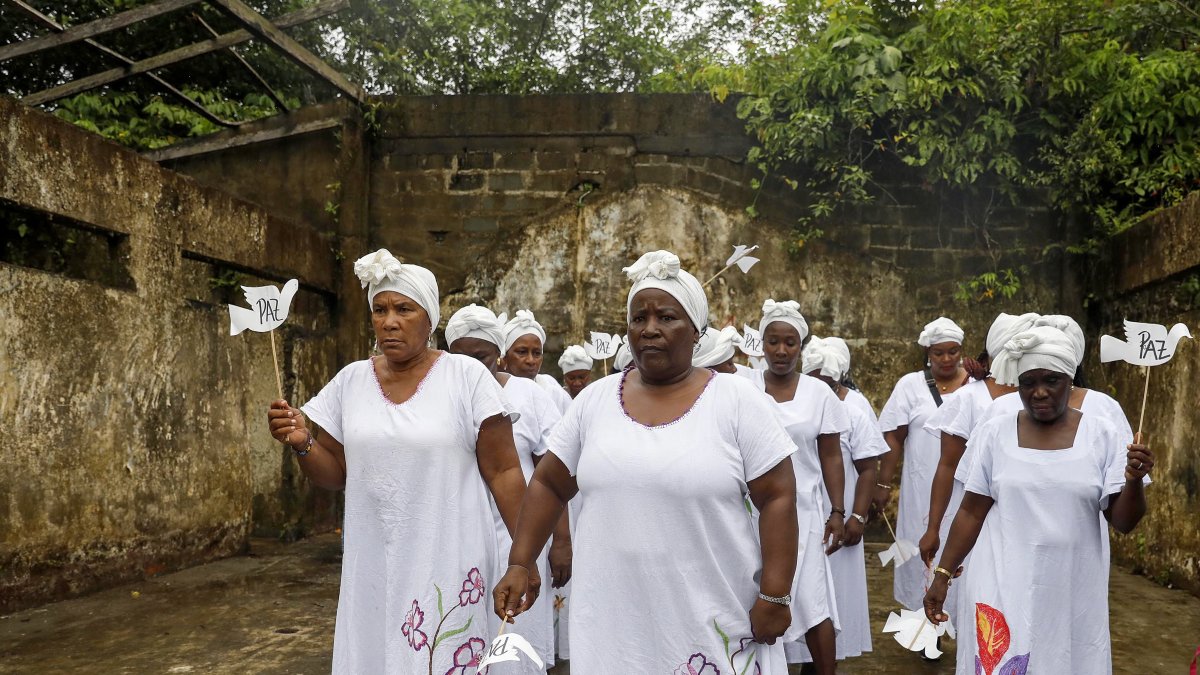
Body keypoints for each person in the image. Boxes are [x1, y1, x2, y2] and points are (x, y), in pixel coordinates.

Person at [493, 250, 800, 673]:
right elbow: (548, 484)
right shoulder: (595, 400)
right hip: (614, 619)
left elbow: (780, 497)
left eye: (666, 318)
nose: (650, 329)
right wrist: (520, 561)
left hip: (710, 612)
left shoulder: (737, 400)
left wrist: (775, 595)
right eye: (639, 319)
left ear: (696, 331)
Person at [266, 249, 528, 674]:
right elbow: (335, 476)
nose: (389, 320)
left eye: (404, 309)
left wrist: (523, 557)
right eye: (380, 309)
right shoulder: (351, 382)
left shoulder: (465, 377)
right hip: (373, 563)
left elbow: (504, 472)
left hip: (447, 558)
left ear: (430, 319)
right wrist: (302, 442)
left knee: (441, 654)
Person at [924, 326, 1152, 674]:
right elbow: (971, 511)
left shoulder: (1102, 434)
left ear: (1069, 379)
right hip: (1001, 580)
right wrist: (942, 574)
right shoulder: (994, 431)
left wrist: (1133, 481)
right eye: (1028, 383)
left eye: (1051, 381)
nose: (1039, 392)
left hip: (1072, 587)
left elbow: (1123, 521)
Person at [445, 303, 568, 672]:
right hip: (456, 533)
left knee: (514, 639)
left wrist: (560, 541)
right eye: (461, 358)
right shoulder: (441, 393)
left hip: (516, 534)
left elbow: (553, 475)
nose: (471, 367)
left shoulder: (529, 397)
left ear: (498, 355)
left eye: (480, 357)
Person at [917, 312, 1039, 624]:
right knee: (979, 605)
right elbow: (946, 466)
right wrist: (933, 528)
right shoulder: (970, 398)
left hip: (1026, 518)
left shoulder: (1045, 399)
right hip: (973, 516)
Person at [753, 299, 848, 675]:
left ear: (802, 346)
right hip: (753, 513)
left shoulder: (818, 394)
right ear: (762, 344)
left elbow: (831, 457)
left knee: (812, 601)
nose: (780, 350)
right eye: (773, 341)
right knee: (757, 595)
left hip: (803, 513)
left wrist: (838, 511)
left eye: (789, 342)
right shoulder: (744, 389)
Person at [873, 317, 971, 621]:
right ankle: (926, 626)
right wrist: (883, 483)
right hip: (921, 489)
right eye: (938, 353)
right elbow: (894, 436)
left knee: (964, 550)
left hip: (965, 488)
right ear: (927, 354)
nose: (946, 359)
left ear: (961, 351)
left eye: (952, 352)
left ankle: (961, 621)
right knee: (921, 551)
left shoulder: (977, 386)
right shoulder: (910, 386)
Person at [797, 336, 888, 663]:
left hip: (841, 524)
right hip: (798, 519)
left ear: (839, 382)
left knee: (835, 598)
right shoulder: (793, 413)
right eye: (815, 383)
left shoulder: (854, 413)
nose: (823, 392)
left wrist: (857, 517)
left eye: (829, 385)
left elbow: (867, 468)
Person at [502, 309, 573, 413]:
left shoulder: (553, 393)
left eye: (537, 353)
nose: (531, 360)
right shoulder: (496, 393)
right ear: (505, 356)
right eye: (522, 352)